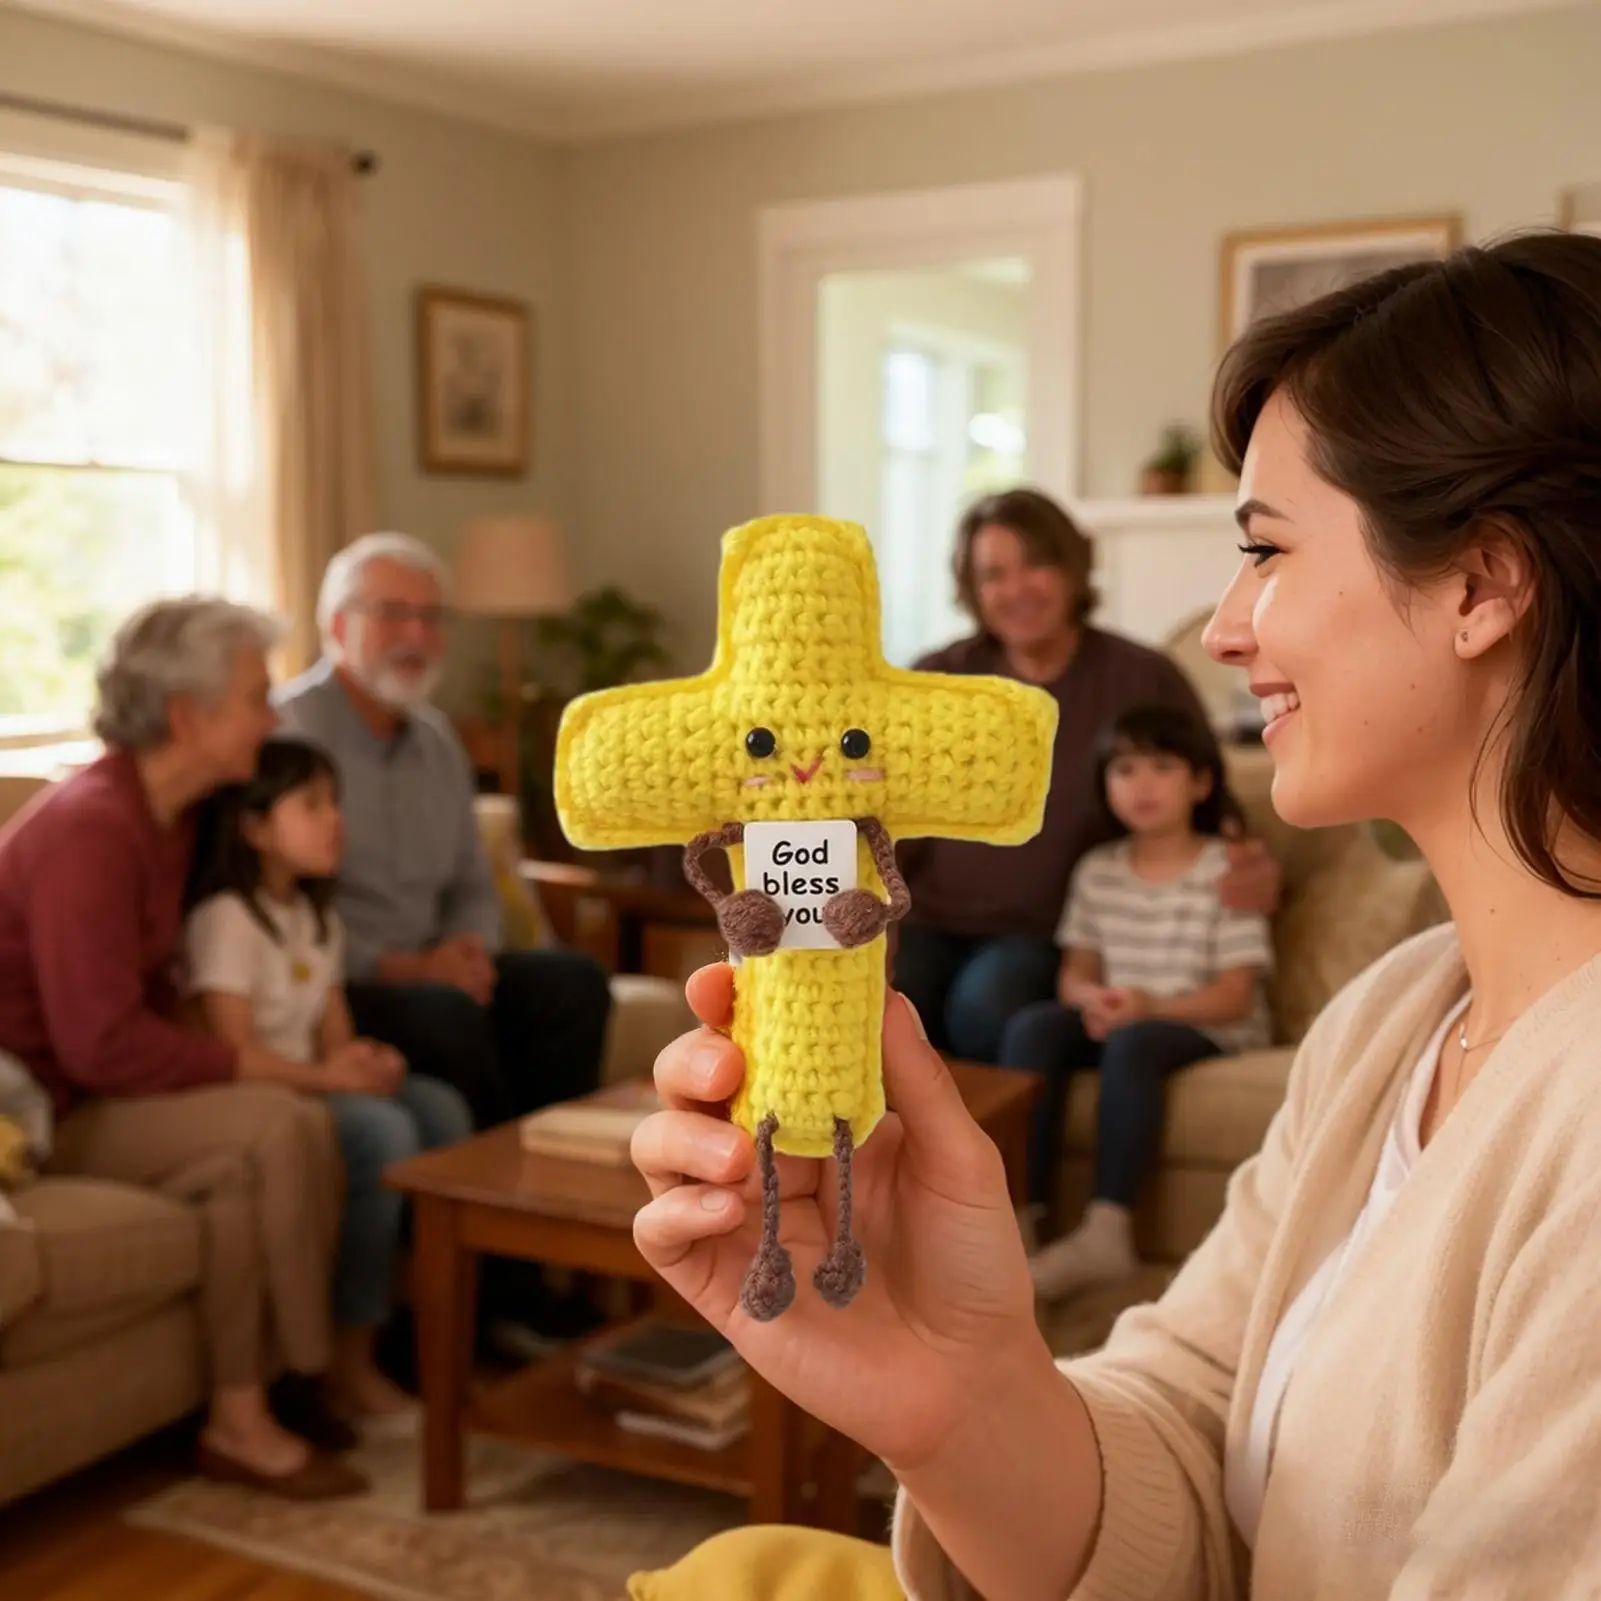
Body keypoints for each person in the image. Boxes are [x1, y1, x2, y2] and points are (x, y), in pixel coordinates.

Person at [624, 230, 1601, 1599]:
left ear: (1484, 583)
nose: (1226, 628)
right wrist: (951, 1395)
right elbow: (1192, 1438)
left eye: (1264, 550)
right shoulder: (1397, 1015)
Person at [0, 599, 365, 1500]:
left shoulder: (178, 816)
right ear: (187, 717)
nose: (273, 716)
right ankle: (309, 1377)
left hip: (92, 1089)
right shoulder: (91, 828)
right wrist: (252, 1065)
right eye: (256, 696)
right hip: (39, 1110)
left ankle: (243, 1417)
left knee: (252, 1161)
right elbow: (98, 1045)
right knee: (275, 1126)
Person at [275, 531, 611, 1348]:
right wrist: (403, 964)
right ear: (336, 623)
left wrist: (469, 945)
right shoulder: (286, 736)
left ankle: (544, 1243)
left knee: (572, 984)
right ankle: (499, 1284)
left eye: (431, 618)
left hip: (443, 968)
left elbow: (471, 878)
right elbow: (281, 908)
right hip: (345, 986)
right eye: (393, 614)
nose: (417, 636)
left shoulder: (437, 741)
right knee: (447, 1018)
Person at [892, 488, 1279, 1064]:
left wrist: (1253, 865)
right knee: (887, 1016)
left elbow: (1209, 800)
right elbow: (883, 808)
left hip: (1046, 933)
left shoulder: (1141, 678)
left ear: (1072, 569)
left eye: (1036, 564)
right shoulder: (938, 679)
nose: (1017, 589)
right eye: (994, 574)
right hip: (926, 918)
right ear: (973, 591)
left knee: (983, 1007)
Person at [183, 735, 474, 1424]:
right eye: (310, 804)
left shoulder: (316, 915)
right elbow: (236, 1052)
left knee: (441, 1112)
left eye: (335, 802)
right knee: (386, 1131)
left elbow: (334, 1029)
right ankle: (348, 1356)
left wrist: (367, 1061)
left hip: (309, 1080)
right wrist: (330, 1076)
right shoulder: (226, 920)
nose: (334, 819)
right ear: (255, 828)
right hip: (259, 1095)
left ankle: (421, 1339)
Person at [1000, 702, 1273, 1301]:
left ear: (1200, 782)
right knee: (1033, 1030)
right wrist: (1091, 998)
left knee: (1133, 1044)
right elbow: (1075, 974)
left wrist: (1147, 1006)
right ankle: (1018, 1222)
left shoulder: (1227, 868)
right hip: (1126, 1013)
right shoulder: (1098, 870)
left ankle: (1106, 1231)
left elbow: (1233, 997)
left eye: (1160, 767)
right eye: (1124, 771)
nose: (1142, 785)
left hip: (1200, 1025)